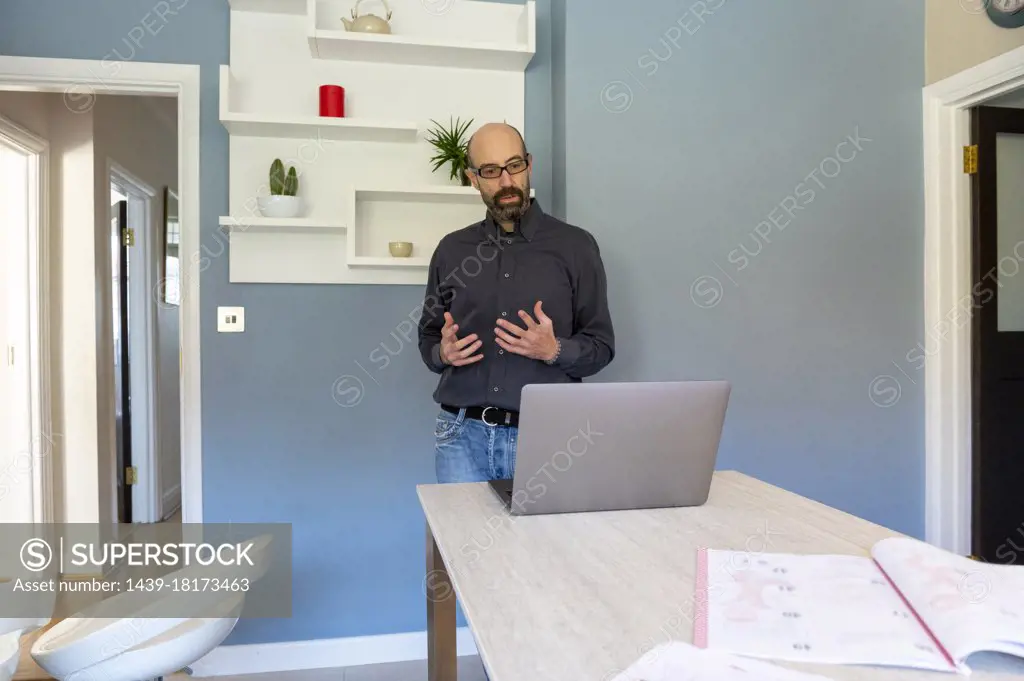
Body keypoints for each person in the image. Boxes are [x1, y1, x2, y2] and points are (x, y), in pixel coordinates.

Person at [416, 122, 615, 484]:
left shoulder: (576, 247)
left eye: (515, 166)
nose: (506, 181)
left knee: (549, 544)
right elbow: (428, 336)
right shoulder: (451, 250)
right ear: (473, 179)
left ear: (529, 165)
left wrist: (554, 350)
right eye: (491, 171)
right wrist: (442, 354)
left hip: (548, 440)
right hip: (461, 438)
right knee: (462, 542)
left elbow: (602, 348)